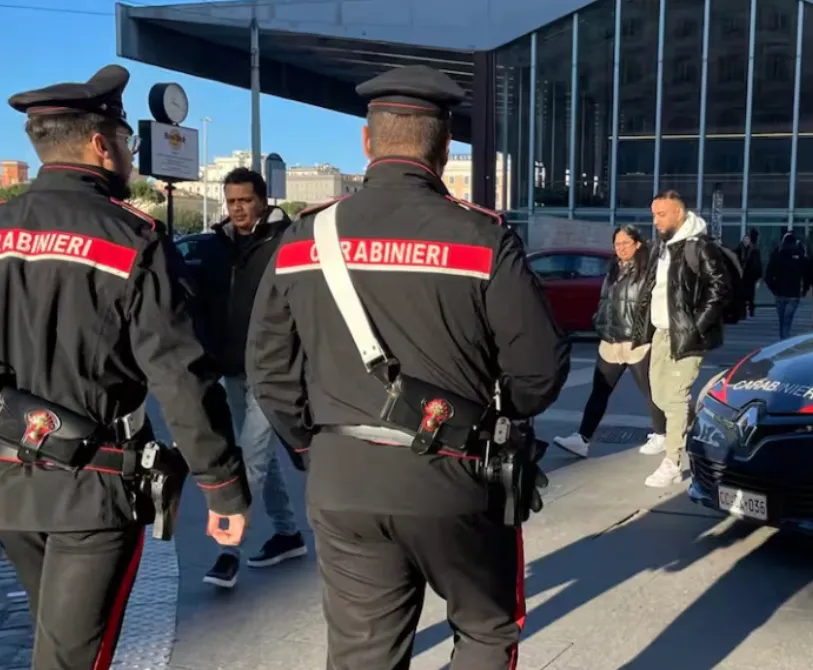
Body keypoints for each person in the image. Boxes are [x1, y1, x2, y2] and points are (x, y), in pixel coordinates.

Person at [246, 65, 569, 669]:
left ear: (367, 144)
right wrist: (495, 416)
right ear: (445, 148)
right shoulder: (482, 237)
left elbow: (268, 372)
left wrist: (315, 446)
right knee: (486, 632)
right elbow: (539, 374)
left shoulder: (302, 238)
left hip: (342, 480)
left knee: (362, 656)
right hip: (455, 475)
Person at [0, 65, 249, 668]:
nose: (130, 153)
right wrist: (222, 487)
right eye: (126, 141)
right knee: (74, 655)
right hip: (94, 485)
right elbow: (179, 373)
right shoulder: (132, 238)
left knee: (53, 639)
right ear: (99, 144)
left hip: (8, 479)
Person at [190, 167, 306, 589]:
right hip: (233, 368)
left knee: (250, 459)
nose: (237, 208)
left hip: (273, 371)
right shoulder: (216, 245)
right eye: (232, 201)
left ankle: (228, 551)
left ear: (262, 200)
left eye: (245, 200)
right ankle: (288, 532)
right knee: (262, 457)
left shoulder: (285, 242)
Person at [634, 191, 732, 488]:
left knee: (675, 398)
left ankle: (672, 462)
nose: (656, 221)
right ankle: (697, 432)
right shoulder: (661, 248)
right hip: (662, 333)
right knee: (661, 397)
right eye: (653, 215)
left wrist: (695, 327)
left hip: (686, 336)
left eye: (661, 214)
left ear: (679, 213)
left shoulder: (698, 247)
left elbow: (720, 289)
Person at [552, 226, 666, 458]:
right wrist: (599, 321)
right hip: (611, 342)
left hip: (636, 343)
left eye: (626, 243)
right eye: (617, 244)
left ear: (637, 244)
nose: (621, 248)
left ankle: (662, 435)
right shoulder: (613, 269)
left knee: (652, 392)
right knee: (600, 392)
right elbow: (606, 300)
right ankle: (582, 439)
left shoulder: (649, 269)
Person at [764, 232, 811, 340]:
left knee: (782, 319)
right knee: (787, 320)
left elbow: (768, 276)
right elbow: (807, 274)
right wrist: (804, 289)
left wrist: (774, 288)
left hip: (780, 293)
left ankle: (783, 338)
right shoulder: (800, 257)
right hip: (794, 293)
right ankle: (784, 339)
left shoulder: (777, 256)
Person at [736, 229, 763, 318]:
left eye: (747, 240)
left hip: (750, 276)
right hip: (741, 276)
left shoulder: (754, 250)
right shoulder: (739, 249)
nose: (746, 241)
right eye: (745, 240)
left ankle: (751, 310)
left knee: (750, 295)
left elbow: (758, 264)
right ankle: (743, 312)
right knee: (742, 295)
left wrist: (759, 276)